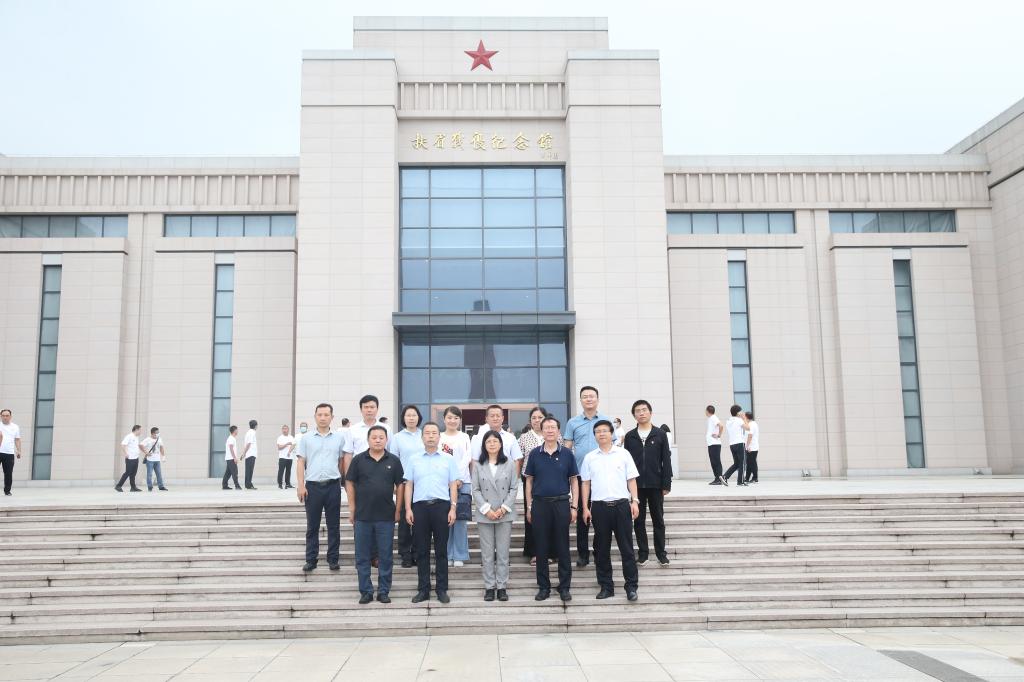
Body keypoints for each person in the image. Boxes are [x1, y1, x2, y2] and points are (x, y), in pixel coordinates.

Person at [581, 419, 640, 601]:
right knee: (601, 549)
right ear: (594, 435)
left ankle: (631, 587)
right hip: (599, 508)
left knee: (627, 549)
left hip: (621, 506)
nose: (601, 434)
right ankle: (606, 587)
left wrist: (635, 501)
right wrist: (585, 507)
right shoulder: (590, 457)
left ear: (611, 433)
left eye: (604, 430)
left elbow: (631, 479)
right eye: (598, 431)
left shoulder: (623, 454)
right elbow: (585, 483)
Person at [345, 425, 404, 604]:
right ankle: (366, 591)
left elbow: (400, 485)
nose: (378, 440)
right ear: (368, 439)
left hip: (386, 516)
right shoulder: (358, 460)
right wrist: (352, 508)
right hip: (362, 516)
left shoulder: (393, 460)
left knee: (385, 556)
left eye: (381, 437)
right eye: (374, 437)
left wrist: (398, 509)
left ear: (386, 440)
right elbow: (349, 482)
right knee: (362, 556)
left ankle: (384, 591)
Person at [525, 416, 579, 602]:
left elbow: (574, 481)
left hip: (561, 504)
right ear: (542, 431)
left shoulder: (567, 454)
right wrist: (529, 506)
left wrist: (574, 506)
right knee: (541, 548)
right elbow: (529, 481)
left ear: (558, 431)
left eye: (553, 427)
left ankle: (564, 587)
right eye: (546, 427)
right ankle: (543, 587)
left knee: (563, 547)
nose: (549, 430)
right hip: (540, 505)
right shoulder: (534, 454)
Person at [404, 422, 459, 603]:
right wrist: (408, 508)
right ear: (422, 437)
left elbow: (453, 485)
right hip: (419, 508)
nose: (430, 436)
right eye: (427, 433)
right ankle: (423, 589)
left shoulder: (448, 459)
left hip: (441, 507)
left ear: (439, 437)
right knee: (422, 551)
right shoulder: (413, 459)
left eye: (434, 433)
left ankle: (441, 589)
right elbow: (409, 485)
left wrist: (453, 508)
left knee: (441, 551)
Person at [563, 386, 610, 568]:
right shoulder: (573, 422)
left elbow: (613, 446)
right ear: (581, 400)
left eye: (592, 396)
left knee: (600, 515)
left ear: (597, 399)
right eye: (585, 397)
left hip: (602, 476)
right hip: (581, 477)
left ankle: (599, 551)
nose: (589, 399)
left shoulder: (606, 421)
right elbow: (567, 448)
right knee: (583, 514)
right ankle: (583, 554)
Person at [296, 403, 345, 572]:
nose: (323, 418)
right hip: (312, 487)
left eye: (326, 415)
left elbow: (341, 461)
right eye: (320, 415)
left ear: (332, 417)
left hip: (332, 486)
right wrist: (300, 486)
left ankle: (333, 559)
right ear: (315, 416)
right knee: (312, 526)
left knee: (334, 525)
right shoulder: (306, 438)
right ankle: (311, 559)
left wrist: (339, 479)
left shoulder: (339, 438)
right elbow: (301, 462)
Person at [623, 400, 673, 566]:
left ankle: (661, 553)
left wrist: (666, 483)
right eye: (638, 411)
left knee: (658, 520)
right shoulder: (630, 436)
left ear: (650, 412)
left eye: (644, 410)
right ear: (634, 415)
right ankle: (643, 553)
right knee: (638, 521)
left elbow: (666, 460)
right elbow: (626, 462)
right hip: (636, 486)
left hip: (656, 484)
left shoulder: (660, 434)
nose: (641, 413)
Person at [471, 430, 518, 601]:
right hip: (485, 515)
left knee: (503, 553)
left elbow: (514, 488)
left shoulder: (510, 463)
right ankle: (489, 587)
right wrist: (486, 509)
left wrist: (503, 508)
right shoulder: (478, 465)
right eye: (488, 441)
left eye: (495, 441)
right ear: (484, 445)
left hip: (504, 514)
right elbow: (475, 489)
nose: (492, 444)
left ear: (500, 444)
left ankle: (502, 586)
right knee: (487, 553)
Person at [390, 405, 423, 568]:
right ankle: (405, 554)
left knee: (420, 520)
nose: (411, 418)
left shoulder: (425, 434)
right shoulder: (397, 438)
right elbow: (394, 461)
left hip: (422, 483)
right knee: (404, 519)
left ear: (419, 417)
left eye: (414, 415)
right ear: (403, 418)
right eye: (408, 415)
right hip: (403, 483)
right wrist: (394, 483)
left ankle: (417, 552)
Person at [440, 406, 472, 568]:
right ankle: (447, 554)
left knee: (460, 521)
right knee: (444, 520)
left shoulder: (464, 437)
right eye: (449, 417)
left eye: (456, 418)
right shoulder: (439, 437)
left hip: (463, 482)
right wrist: (449, 479)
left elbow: (467, 458)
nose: (452, 421)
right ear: (444, 419)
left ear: (460, 420)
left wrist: (457, 478)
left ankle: (459, 555)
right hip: (442, 483)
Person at [516, 406, 549, 565]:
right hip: (530, 481)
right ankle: (534, 552)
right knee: (532, 516)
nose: (537, 420)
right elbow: (520, 460)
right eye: (534, 418)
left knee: (550, 517)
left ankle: (550, 552)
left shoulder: (554, 434)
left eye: (540, 417)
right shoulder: (524, 438)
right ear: (530, 420)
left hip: (551, 481)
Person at [343, 395, 390, 474]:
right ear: (361, 409)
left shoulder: (387, 428)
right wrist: (348, 477)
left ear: (377, 409)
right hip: (359, 471)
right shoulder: (352, 430)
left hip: (383, 470)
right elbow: (348, 455)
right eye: (366, 407)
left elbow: (390, 450)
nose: (369, 410)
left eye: (372, 407)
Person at [469, 405, 523, 472]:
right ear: (486, 419)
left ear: (502, 418)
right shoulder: (477, 438)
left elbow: (516, 461)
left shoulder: (511, 438)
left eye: (498, 416)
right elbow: (474, 461)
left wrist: (514, 478)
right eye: (492, 416)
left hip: (506, 476)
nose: (495, 418)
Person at [722, 405, 748, 486]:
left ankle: (725, 476)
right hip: (739, 443)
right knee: (742, 463)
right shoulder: (739, 420)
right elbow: (748, 428)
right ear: (737, 413)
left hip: (732, 444)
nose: (742, 412)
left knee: (736, 463)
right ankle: (740, 481)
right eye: (740, 411)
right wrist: (744, 418)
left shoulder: (728, 421)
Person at [0, 409, 24, 496]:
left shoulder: (15, 427)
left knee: (8, 473)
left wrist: (19, 450)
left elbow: (17, 439)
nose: (5, 417)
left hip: (9, 453)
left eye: (7, 416)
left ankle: (7, 491)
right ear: (1, 416)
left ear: (10, 416)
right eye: (3, 415)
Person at [115, 425, 144, 492]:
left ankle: (133, 487)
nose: (141, 431)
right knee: (127, 472)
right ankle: (118, 486)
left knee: (133, 473)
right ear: (136, 429)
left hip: (136, 457)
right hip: (130, 458)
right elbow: (123, 444)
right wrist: (126, 453)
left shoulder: (136, 437)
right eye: (140, 430)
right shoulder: (129, 436)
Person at [141, 427, 168, 492]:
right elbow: (140, 445)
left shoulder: (159, 439)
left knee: (159, 473)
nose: (158, 433)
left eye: (158, 432)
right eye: (157, 432)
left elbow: (161, 447)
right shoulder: (148, 439)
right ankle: (150, 486)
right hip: (150, 460)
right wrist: (146, 452)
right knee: (149, 474)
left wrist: (163, 456)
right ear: (153, 433)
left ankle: (161, 486)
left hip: (157, 459)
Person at [705, 405, 725, 485]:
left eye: (705, 411)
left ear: (707, 411)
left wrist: (719, 435)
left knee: (716, 461)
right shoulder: (710, 418)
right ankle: (716, 478)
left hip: (715, 444)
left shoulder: (713, 417)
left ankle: (719, 479)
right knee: (713, 461)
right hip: (711, 444)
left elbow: (721, 425)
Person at [222, 426, 242, 490]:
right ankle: (237, 486)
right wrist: (234, 458)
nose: (238, 431)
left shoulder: (231, 438)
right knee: (234, 472)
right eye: (237, 430)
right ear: (234, 430)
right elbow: (231, 448)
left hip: (229, 458)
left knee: (228, 473)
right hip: (231, 458)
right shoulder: (231, 438)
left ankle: (224, 485)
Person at [277, 425, 295, 489]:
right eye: (283, 429)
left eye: (286, 429)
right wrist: (286, 444)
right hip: (282, 457)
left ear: (288, 430)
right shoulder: (280, 438)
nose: (284, 430)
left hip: (289, 457)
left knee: (288, 471)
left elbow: (293, 445)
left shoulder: (291, 437)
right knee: (281, 471)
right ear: (282, 430)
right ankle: (280, 484)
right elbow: (279, 447)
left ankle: (288, 484)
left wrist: (289, 452)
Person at [744, 411, 760, 484]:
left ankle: (755, 478)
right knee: (749, 463)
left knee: (752, 463)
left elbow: (750, 436)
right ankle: (747, 478)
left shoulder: (752, 424)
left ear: (747, 417)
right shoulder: (752, 424)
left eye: (744, 417)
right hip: (751, 446)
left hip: (752, 447)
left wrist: (747, 446)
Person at [243, 419, 259, 490]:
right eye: (257, 425)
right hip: (251, 454)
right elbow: (249, 444)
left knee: (248, 470)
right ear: (255, 426)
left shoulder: (248, 432)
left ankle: (248, 484)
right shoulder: (252, 433)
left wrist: (244, 453)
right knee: (250, 470)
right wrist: (244, 453)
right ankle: (249, 485)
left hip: (249, 454)